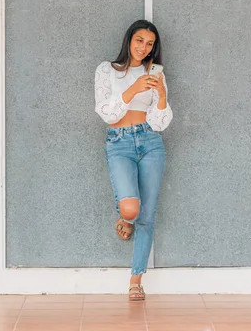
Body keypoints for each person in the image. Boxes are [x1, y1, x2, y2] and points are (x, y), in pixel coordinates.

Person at [94, 20, 173, 301]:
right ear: (129, 40)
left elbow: (160, 122)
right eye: (139, 40)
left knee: (147, 216)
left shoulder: (155, 74)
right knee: (130, 209)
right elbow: (106, 113)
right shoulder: (107, 70)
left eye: (150, 43)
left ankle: (136, 280)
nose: (144, 47)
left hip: (150, 141)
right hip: (119, 142)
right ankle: (125, 217)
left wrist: (161, 95)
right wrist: (133, 89)